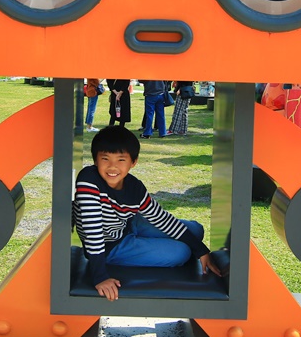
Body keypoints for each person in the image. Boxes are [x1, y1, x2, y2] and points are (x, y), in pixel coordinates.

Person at [73, 126, 221, 300]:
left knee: (196, 230)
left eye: (121, 160)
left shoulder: (135, 187)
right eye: (105, 159)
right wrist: (100, 276)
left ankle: (159, 242)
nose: (112, 167)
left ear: (133, 162)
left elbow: (162, 219)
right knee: (181, 253)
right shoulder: (88, 181)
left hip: (128, 224)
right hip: (110, 245)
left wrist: (202, 251)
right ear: (96, 160)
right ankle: (149, 245)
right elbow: (93, 231)